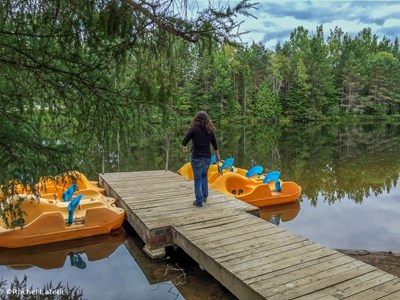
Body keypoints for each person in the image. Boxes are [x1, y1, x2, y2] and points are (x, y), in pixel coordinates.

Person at [182, 111, 219, 207]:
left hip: (196, 157)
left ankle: (199, 201)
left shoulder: (193, 129)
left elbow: (185, 140)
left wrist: (184, 146)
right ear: (207, 120)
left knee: (197, 179)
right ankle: (204, 196)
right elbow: (215, 145)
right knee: (204, 176)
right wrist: (218, 157)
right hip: (207, 158)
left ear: (196, 119)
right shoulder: (210, 130)